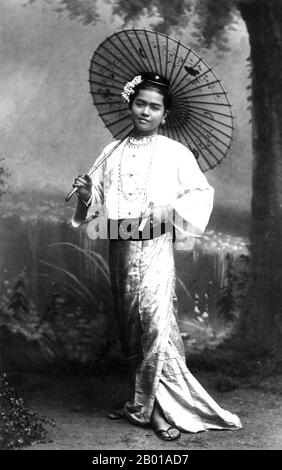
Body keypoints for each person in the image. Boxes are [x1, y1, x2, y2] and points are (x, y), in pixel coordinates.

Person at [71, 71, 242, 441]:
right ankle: (139, 403)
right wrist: (87, 192)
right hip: (120, 243)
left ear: (165, 114)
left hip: (153, 246)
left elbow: (200, 193)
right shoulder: (110, 151)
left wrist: (166, 208)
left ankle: (161, 411)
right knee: (131, 324)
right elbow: (98, 203)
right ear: (129, 104)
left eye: (154, 107)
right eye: (140, 104)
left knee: (155, 323)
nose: (145, 112)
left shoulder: (174, 153)